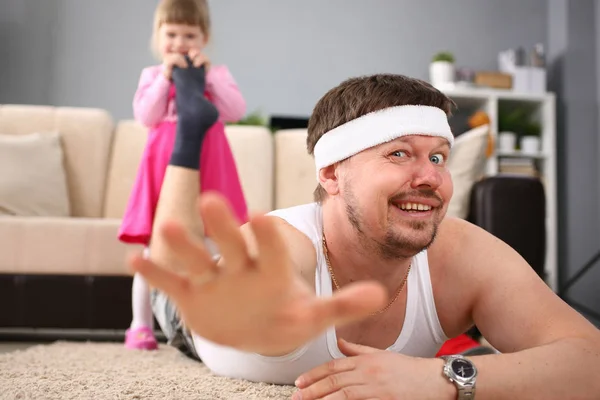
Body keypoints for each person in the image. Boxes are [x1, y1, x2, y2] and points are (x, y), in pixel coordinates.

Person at [129, 73, 600, 399]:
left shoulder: (464, 253)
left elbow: (590, 361)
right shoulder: (281, 245)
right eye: (399, 154)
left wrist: (443, 379)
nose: (431, 177)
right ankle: (186, 138)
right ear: (332, 174)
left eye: (437, 157)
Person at [119, 0, 248, 351]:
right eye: (171, 33)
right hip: (165, 171)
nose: (179, 42)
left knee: (209, 244)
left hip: (209, 167)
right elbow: (146, 116)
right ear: (158, 37)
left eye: (188, 34)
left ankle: (211, 322)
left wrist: (210, 77)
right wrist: (165, 76)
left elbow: (235, 111)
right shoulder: (151, 75)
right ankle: (140, 325)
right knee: (152, 252)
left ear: (203, 38)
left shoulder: (215, 74)